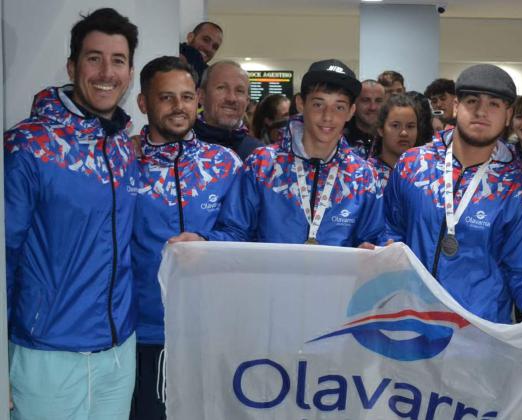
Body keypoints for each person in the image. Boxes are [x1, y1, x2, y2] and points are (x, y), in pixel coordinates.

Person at [4, 8, 139, 418]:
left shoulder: (122, 147)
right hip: (47, 351)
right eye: (93, 57)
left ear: (130, 72)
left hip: (118, 351)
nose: (106, 72)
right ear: (72, 65)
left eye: (118, 60)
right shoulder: (27, 145)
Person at [381, 64, 522, 323]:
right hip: (408, 325)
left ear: (508, 114)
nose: (481, 111)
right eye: (472, 101)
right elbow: (389, 228)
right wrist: (386, 248)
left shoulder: (518, 187)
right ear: (456, 106)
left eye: (494, 104)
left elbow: (521, 271)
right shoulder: (413, 164)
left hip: (477, 334)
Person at [129, 56, 242, 420]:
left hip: (210, 330)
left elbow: (243, 233)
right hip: (141, 332)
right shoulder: (124, 161)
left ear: (197, 99)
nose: (179, 107)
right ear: (144, 103)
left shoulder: (225, 163)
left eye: (186, 97)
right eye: (166, 98)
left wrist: (209, 245)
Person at [170, 59, 383, 247]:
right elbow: (236, 231)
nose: (327, 117)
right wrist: (204, 242)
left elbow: (371, 238)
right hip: (269, 290)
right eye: (318, 104)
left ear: (351, 112)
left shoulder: (363, 176)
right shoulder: (263, 164)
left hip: (338, 292)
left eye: (339, 107)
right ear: (301, 103)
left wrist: (377, 249)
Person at [193, 60, 263, 160]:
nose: (231, 98)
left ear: (247, 101)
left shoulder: (259, 155)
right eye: (222, 88)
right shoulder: (177, 149)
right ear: (201, 96)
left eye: (239, 91)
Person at [368, 93, 421, 191]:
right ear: (381, 129)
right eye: (395, 125)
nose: (404, 133)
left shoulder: (424, 174)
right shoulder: (366, 175)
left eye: (410, 126)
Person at [344, 79, 385, 158]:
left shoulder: (390, 138)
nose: (373, 107)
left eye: (378, 101)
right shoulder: (340, 138)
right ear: (354, 103)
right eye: (366, 100)